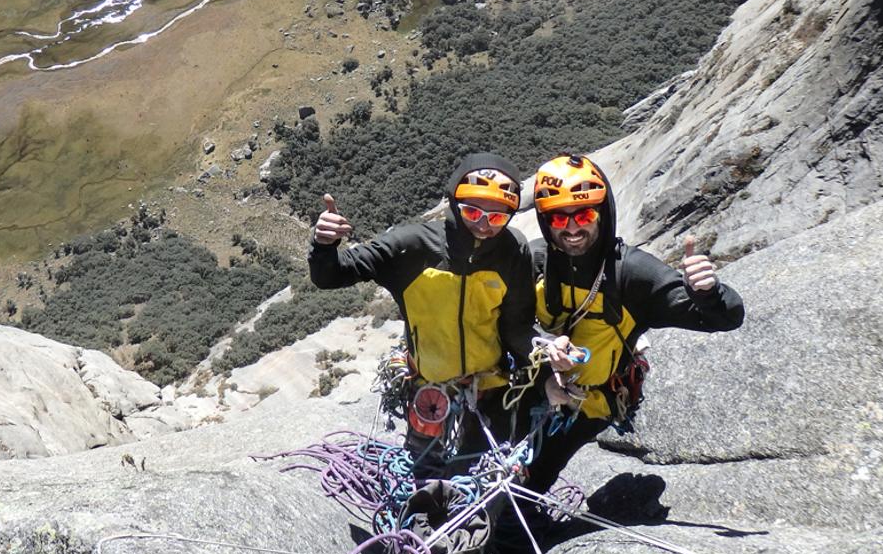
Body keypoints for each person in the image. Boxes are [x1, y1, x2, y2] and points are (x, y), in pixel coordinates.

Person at [519, 153, 745, 496]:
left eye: (584, 214)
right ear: (544, 220)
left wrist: (708, 293)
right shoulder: (537, 261)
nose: (572, 228)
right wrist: (545, 373)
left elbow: (726, 318)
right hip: (537, 386)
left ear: (602, 212)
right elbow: (509, 324)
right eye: (557, 218)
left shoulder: (631, 273)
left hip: (588, 405)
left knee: (529, 482)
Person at [309, 153, 538, 477]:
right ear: (453, 202)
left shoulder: (513, 251)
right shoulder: (413, 246)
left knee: (481, 474)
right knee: (425, 475)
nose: (484, 225)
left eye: (497, 218)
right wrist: (324, 245)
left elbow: (517, 326)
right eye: (472, 211)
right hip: (429, 385)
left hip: (490, 385)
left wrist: (544, 358)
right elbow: (331, 276)